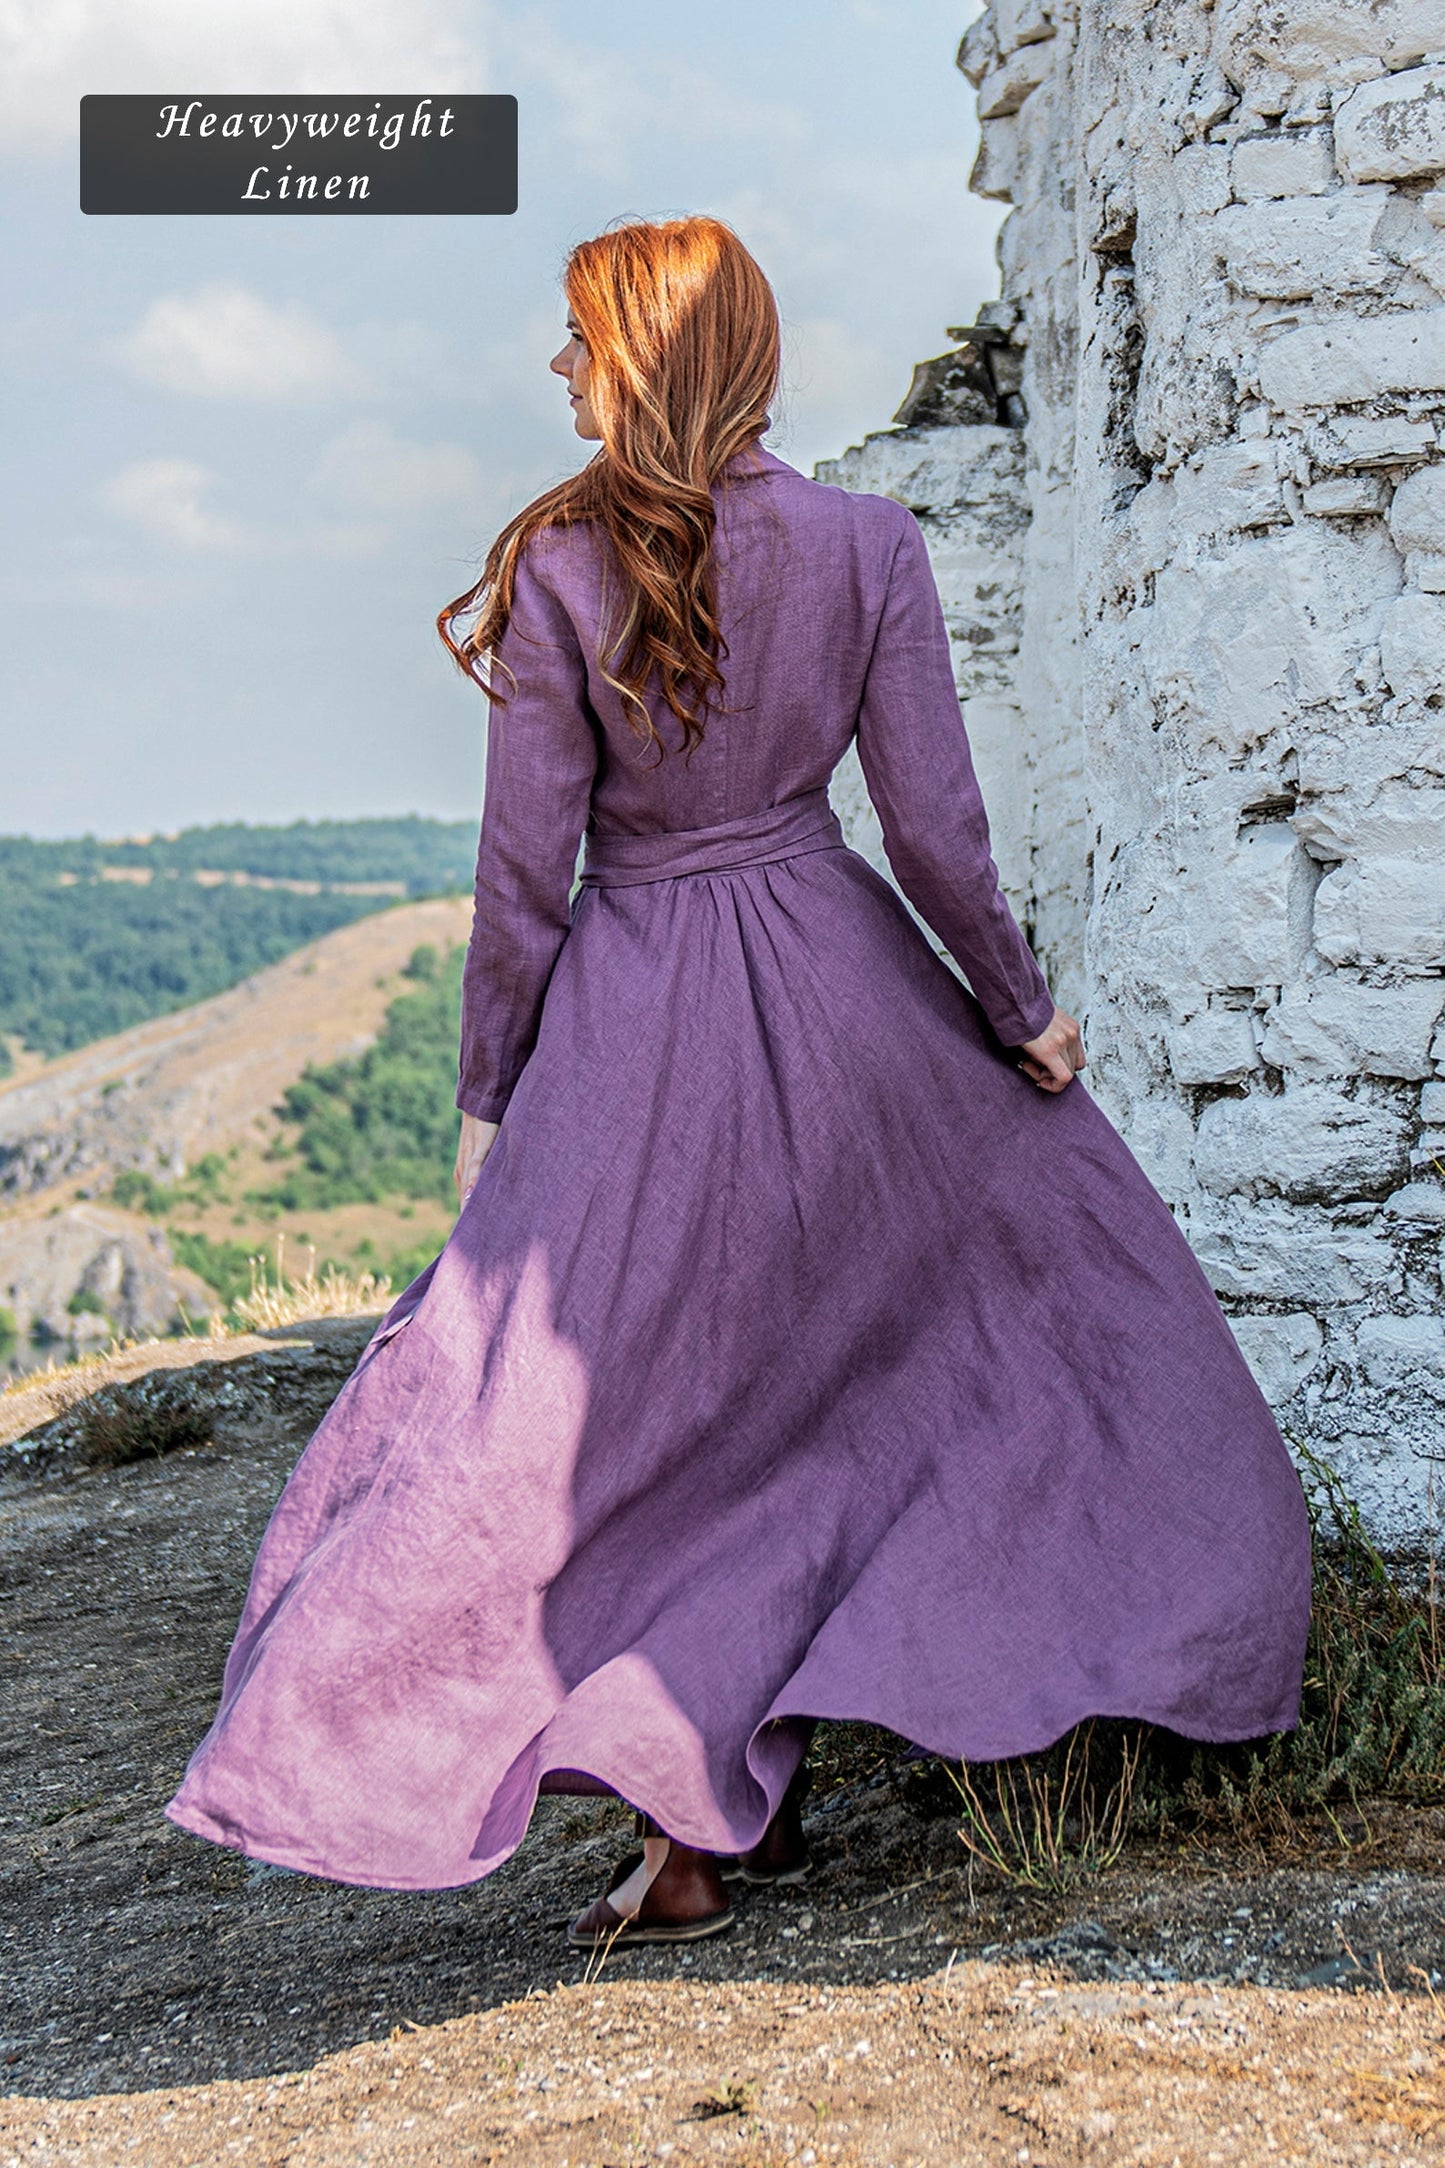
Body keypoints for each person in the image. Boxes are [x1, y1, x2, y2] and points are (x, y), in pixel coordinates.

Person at [165, 215, 1312, 1948]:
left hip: (639, 1031)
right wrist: (1014, 1014)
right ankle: (792, 1758)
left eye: (578, 340)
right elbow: (933, 829)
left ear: (652, 358)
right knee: (896, 1376)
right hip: (846, 1007)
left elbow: (517, 876)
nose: (555, 368)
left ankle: (661, 1818)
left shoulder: (561, 567)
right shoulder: (867, 546)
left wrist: (494, 1098)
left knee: (562, 1429)